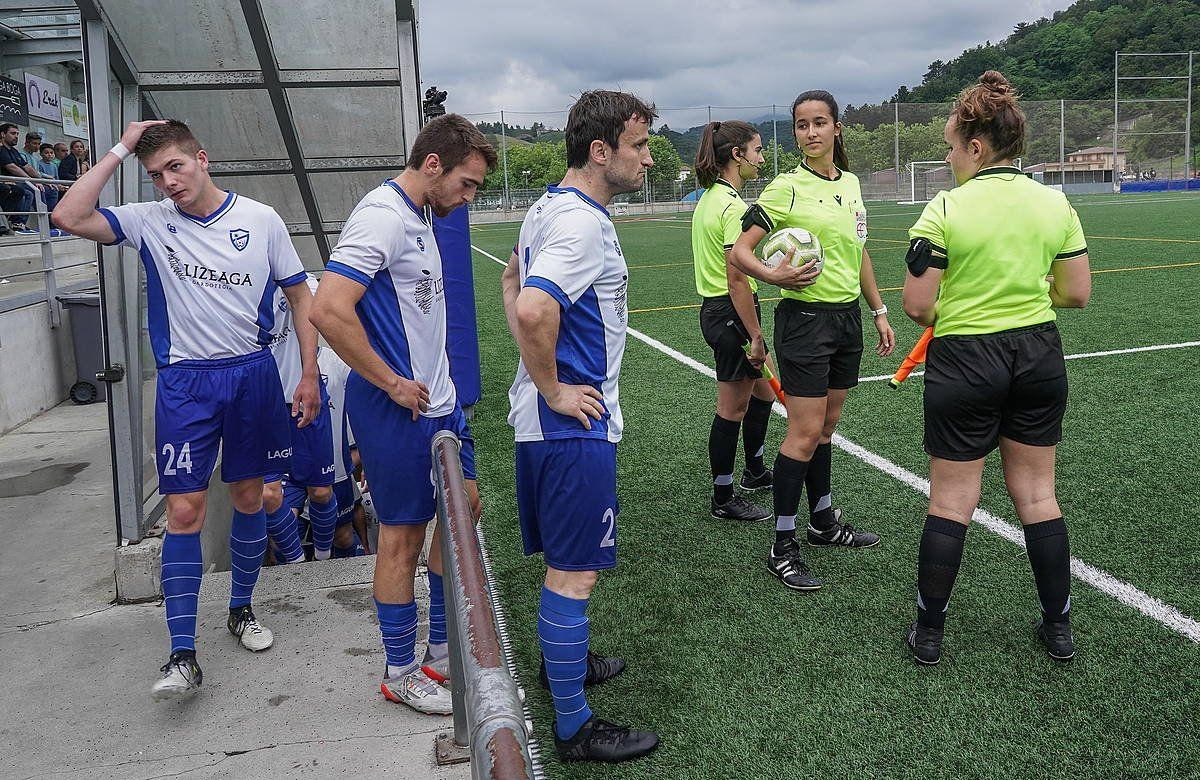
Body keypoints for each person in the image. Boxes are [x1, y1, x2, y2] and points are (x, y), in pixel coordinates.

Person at [53, 119, 320, 699]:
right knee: (184, 509)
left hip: (252, 375)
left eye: (175, 167)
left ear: (202, 159)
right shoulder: (149, 223)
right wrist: (122, 146)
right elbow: (67, 217)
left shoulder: (260, 219)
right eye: (154, 174)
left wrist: (307, 372)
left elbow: (301, 296)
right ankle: (181, 654)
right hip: (185, 384)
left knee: (251, 497)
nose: (167, 182)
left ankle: (241, 609)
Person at [901, 71, 1090, 666]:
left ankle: (929, 633)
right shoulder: (1055, 201)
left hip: (964, 357)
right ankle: (1057, 627)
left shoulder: (946, 207)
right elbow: (1076, 293)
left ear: (977, 147)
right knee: (1037, 494)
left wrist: (964, 300)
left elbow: (917, 305)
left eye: (953, 146)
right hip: (1037, 351)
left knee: (953, 498)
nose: (949, 156)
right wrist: (1024, 291)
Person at [311, 113, 495, 715]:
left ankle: (442, 652)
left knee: (463, 510)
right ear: (433, 165)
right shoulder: (381, 216)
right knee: (402, 537)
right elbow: (328, 309)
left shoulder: (420, 216)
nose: (468, 198)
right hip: (397, 410)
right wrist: (389, 382)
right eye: (466, 184)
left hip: (441, 406)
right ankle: (399, 669)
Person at [501, 90, 660, 763]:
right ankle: (573, 728)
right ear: (602, 152)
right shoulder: (578, 223)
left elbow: (510, 280)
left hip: (546, 424)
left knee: (567, 567)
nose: (649, 159)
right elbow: (534, 308)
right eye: (641, 146)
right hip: (571, 429)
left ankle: (565, 663)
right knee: (575, 575)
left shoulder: (548, 208)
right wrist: (556, 389)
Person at [731, 90, 895, 592]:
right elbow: (741, 252)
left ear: (836, 127)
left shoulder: (851, 184)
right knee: (802, 433)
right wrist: (774, 278)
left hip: (846, 320)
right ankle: (782, 546)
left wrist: (879, 310)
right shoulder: (787, 188)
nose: (810, 132)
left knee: (827, 426)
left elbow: (860, 253)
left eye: (819, 122)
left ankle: (822, 522)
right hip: (803, 321)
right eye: (802, 125)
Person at [690, 120, 779, 523]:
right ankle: (723, 497)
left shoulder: (710, 197)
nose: (761, 158)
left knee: (765, 394)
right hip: (732, 313)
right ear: (737, 155)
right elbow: (736, 275)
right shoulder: (731, 207)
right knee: (732, 407)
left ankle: (755, 471)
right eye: (757, 151)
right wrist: (756, 335)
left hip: (723, 311)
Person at [262, 275, 338, 565]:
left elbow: (320, 310)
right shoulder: (240, 281)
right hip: (263, 406)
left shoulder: (305, 284)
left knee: (320, 491)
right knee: (269, 496)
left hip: (303, 399)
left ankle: (322, 557)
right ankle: (296, 564)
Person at [0, 123, 44, 234]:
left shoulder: (13, 151)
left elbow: (27, 167)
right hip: (6, 182)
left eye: (17, 134)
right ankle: (16, 222)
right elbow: (11, 167)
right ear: (3, 134)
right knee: (26, 192)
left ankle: (15, 222)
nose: (16, 136)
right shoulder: (1, 149)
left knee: (39, 190)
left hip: (12, 182)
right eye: (13, 133)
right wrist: (31, 181)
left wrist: (41, 180)